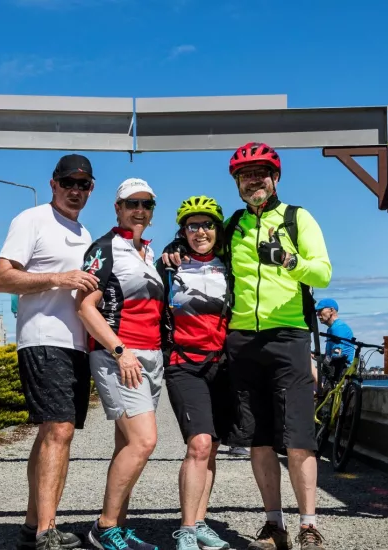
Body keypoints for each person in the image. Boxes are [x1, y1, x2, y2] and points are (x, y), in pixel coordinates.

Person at [165, 142, 332, 550]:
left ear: (275, 178)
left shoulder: (297, 218)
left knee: (298, 438)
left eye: (260, 174)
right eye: (245, 176)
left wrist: (289, 261)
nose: (253, 181)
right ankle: (273, 525)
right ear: (237, 184)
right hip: (241, 341)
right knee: (257, 438)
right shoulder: (236, 224)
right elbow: (200, 245)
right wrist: (175, 245)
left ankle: (309, 526)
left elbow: (323, 273)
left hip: (288, 335)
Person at [0, 153, 99, 550]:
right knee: (59, 430)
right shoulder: (32, 219)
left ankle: (32, 524)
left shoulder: (85, 233)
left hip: (76, 345)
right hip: (42, 338)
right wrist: (58, 277)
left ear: (91, 189)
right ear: (53, 184)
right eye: (68, 182)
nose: (75, 189)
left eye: (83, 184)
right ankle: (47, 531)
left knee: (51, 433)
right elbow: (1, 278)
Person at [77, 178, 165, 550]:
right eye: (132, 204)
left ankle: (120, 528)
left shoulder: (148, 250)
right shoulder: (104, 248)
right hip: (120, 356)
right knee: (145, 441)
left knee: (127, 445)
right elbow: (84, 307)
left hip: (152, 355)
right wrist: (119, 350)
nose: (139, 210)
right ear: (118, 208)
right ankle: (104, 526)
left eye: (146, 204)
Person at [157, 196, 235, 550]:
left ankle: (200, 520)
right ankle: (186, 529)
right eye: (192, 226)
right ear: (182, 231)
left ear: (218, 230)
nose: (200, 231)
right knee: (199, 444)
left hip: (222, 364)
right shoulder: (170, 265)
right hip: (184, 363)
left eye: (207, 225)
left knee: (213, 446)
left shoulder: (230, 265)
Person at [315, 298, 356, 383]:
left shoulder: (338, 328)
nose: (318, 315)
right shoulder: (332, 328)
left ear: (331, 310)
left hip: (342, 373)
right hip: (338, 370)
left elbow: (337, 355)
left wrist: (320, 359)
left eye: (320, 311)